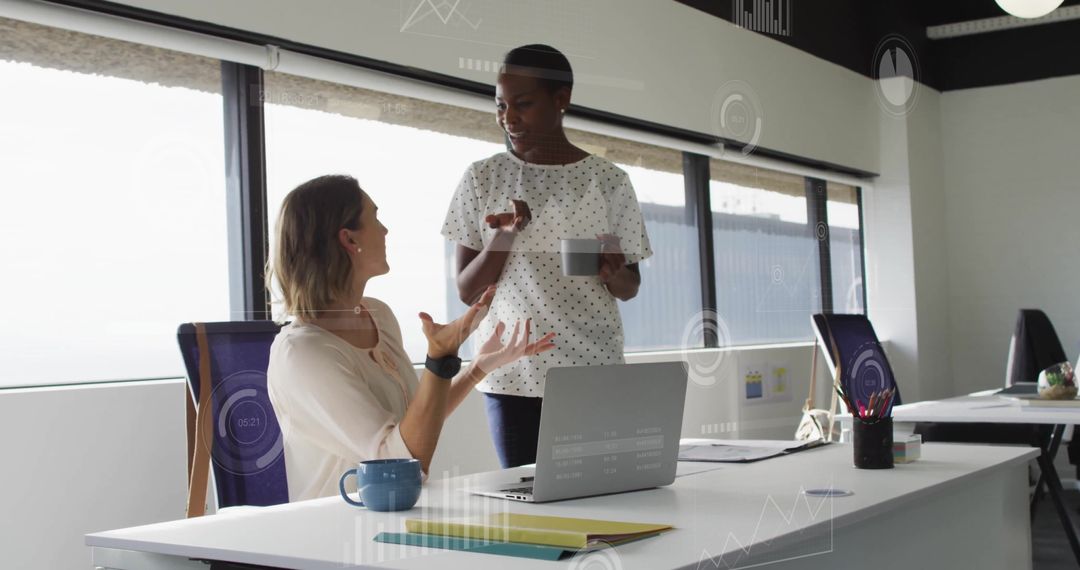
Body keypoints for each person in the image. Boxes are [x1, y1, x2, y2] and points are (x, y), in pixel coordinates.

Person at [266, 174, 556, 502]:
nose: (385, 230)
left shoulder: (378, 315)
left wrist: (478, 367)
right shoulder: (303, 352)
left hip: (403, 515)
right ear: (349, 240)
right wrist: (438, 361)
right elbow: (399, 464)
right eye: (375, 218)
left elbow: (416, 418)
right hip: (340, 528)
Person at [441, 44, 653, 468]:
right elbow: (467, 291)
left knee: (599, 500)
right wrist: (504, 237)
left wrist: (612, 272)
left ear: (561, 100)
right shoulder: (482, 177)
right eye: (501, 105)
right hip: (510, 375)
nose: (508, 117)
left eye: (523, 104)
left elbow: (630, 287)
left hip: (592, 369)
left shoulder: (609, 181)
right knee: (529, 504)